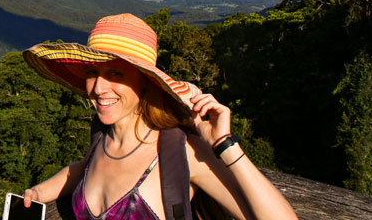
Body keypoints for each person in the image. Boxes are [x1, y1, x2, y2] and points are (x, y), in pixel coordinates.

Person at [21, 13, 298, 220]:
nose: (98, 88)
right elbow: (85, 166)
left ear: (145, 82)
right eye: (92, 73)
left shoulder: (182, 152)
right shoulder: (101, 136)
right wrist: (39, 194)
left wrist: (225, 144)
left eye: (116, 73)